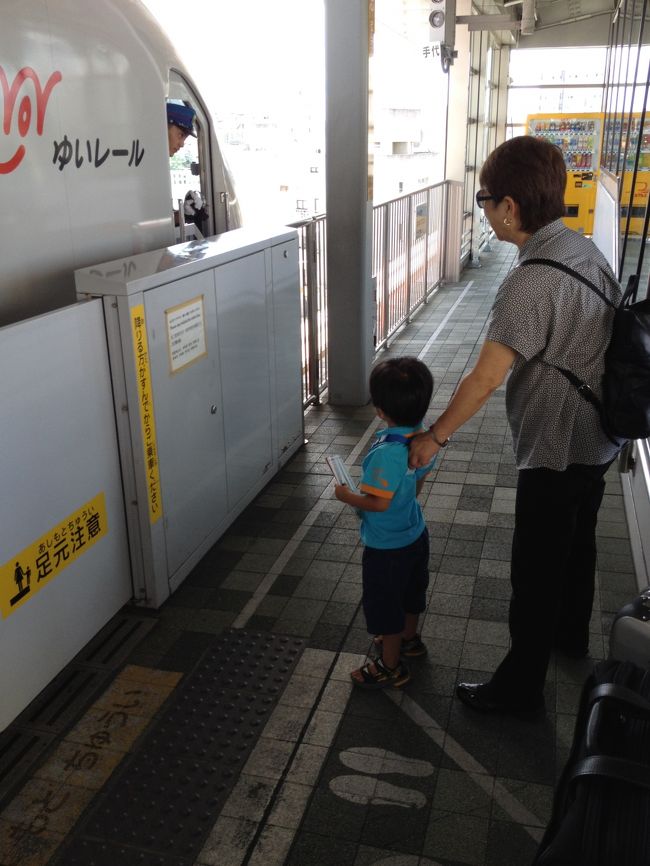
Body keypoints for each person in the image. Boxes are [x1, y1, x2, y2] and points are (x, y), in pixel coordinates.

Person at [409, 135, 623, 718]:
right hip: (601, 433)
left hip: (557, 443)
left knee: (535, 568)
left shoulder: (530, 281)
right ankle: (570, 636)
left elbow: (484, 378)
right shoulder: (581, 248)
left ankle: (519, 688)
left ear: (510, 206)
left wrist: (434, 436)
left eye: (485, 199)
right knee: (578, 543)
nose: (483, 209)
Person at [334, 356, 436, 689]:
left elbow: (378, 503)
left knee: (387, 607)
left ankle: (390, 666)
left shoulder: (385, 454)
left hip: (387, 547)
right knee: (411, 592)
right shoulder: (423, 440)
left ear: (380, 410)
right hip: (414, 533)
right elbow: (418, 481)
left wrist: (347, 495)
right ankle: (410, 639)